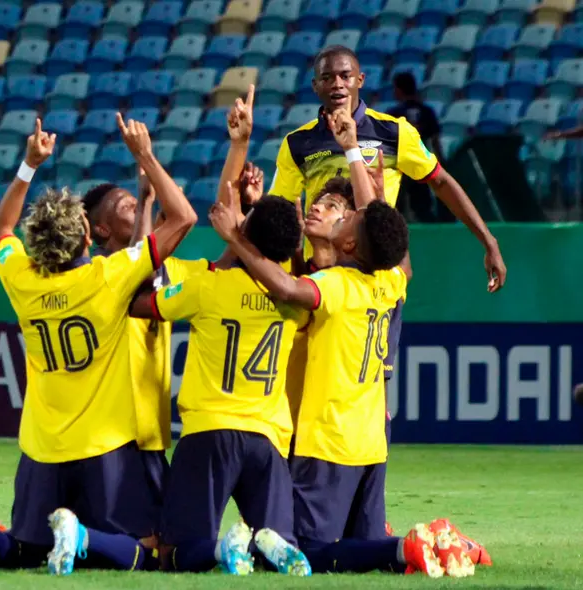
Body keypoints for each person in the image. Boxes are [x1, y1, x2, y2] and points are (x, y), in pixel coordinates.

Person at [212, 108, 477, 578]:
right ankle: (448, 546)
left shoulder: (333, 286)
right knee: (358, 548)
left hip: (326, 436)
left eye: (340, 211)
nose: (323, 209)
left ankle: (406, 548)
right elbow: (374, 238)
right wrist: (256, 214)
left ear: (352, 241)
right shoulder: (387, 282)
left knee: (301, 550)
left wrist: (237, 236)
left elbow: (290, 285)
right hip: (362, 437)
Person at [0, 116, 197, 576]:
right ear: (87, 235)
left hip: (41, 446)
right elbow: (184, 219)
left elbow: (0, 229)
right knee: (144, 553)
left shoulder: (22, 279)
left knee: (26, 552)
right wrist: (144, 154)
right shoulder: (108, 277)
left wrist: (28, 165)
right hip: (104, 447)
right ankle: (79, 537)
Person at [128, 194, 311, 577]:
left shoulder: (207, 286)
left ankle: (221, 549)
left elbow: (140, 303)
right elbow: (284, 274)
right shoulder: (295, 300)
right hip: (267, 441)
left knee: (174, 554)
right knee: (276, 551)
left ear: (245, 233)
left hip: (210, 434)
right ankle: (266, 544)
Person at [269, 45, 507, 294]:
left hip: (379, 281)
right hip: (320, 279)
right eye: (327, 78)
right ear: (315, 85)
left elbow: (441, 182)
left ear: (360, 80)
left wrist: (488, 241)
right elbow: (280, 209)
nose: (337, 84)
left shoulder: (394, 133)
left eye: (345, 76)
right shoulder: (297, 143)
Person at [81, 172, 214, 531]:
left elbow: (224, 271)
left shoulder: (171, 270)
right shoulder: (97, 271)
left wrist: (245, 208)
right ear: (102, 230)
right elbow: (135, 267)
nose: (132, 201)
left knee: (166, 538)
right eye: (122, 204)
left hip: (150, 434)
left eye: (133, 199)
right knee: (128, 539)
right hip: (109, 436)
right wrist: (147, 203)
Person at [385, 72, 445, 223]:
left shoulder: (394, 114)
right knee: (422, 205)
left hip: (401, 163)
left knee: (397, 204)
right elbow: (435, 140)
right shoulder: (427, 111)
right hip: (420, 162)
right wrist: (441, 161)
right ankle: (432, 231)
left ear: (399, 90)